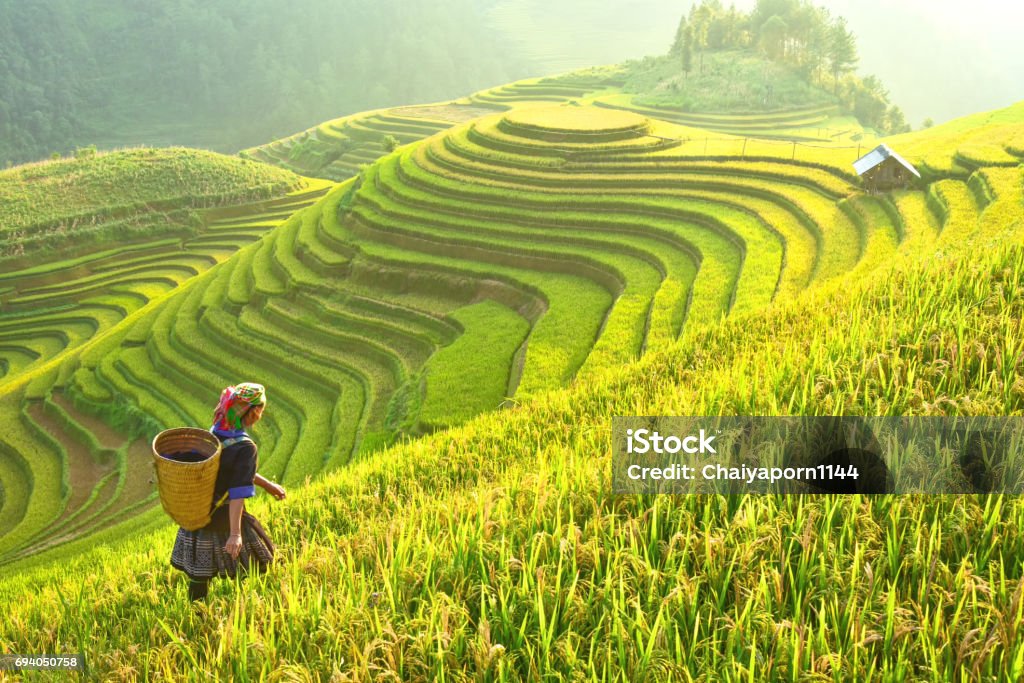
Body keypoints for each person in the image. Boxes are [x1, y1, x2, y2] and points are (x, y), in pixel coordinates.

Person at [170, 382, 287, 601]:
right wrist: (235, 533)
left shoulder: (215, 432)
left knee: (199, 574)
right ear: (252, 412)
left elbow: (236, 471)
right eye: (260, 409)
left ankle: (197, 615)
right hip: (224, 515)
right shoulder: (246, 447)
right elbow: (237, 491)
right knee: (260, 560)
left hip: (199, 510)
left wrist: (268, 486)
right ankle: (257, 603)